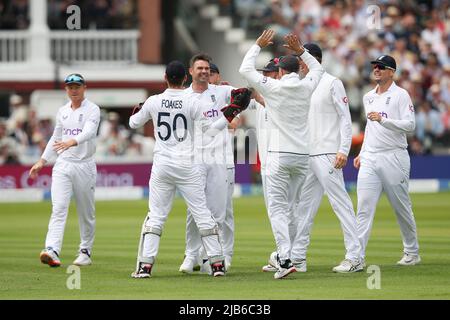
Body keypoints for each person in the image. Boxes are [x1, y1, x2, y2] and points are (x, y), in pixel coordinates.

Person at [129, 61, 246, 278]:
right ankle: (217, 264)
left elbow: (133, 123)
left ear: (165, 76)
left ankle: (145, 266)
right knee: (202, 214)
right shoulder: (191, 101)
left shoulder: (154, 101)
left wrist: (140, 109)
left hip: (162, 165)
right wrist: (229, 114)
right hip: (188, 164)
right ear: (185, 78)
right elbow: (211, 130)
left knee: (155, 216)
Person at [239, 30, 324, 279]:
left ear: (281, 72)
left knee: (277, 209)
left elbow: (245, 69)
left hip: (278, 155)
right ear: (297, 70)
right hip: (302, 157)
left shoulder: (273, 87)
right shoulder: (307, 86)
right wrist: (301, 51)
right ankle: (290, 255)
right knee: (293, 208)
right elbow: (317, 69)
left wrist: (257, 45)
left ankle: (285, 258)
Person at [288, 43, 362, 273]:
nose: (299, 65)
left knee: (340, 204)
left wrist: (343, 149)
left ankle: (356, 257)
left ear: (313, 59)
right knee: (304, 209)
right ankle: (298, 257)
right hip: (307, 154)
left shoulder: (332, 82)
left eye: (302, 59)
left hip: (329, 153)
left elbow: (345, 119)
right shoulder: (302, 84)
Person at [354, 55, 420, 266]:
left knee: (401, 207)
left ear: (392, 71)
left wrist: (384, 120)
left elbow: (410, 125)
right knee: (363, 207)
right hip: (371, 157)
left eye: (381, 67)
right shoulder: (368, 97)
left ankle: (412, 252)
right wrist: (362, 153)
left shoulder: (401, 95)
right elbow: (369, 128)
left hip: (394, 155)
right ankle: (356, 256)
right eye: (374, 66)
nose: (376, 69)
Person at [29, 73, 100, 267]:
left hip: (84, 165)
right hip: (63, 165)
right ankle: (51, 249)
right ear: (66, 89)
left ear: (84, 87)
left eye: (77, 86)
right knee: (58, 209)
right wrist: (42, 161)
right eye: (70, 87)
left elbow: (89, 132)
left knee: (86, 212)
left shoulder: (92, 109)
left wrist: (72, 141)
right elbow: (55, 138)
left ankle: (85, 251)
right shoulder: (62, 111)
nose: (74, 90)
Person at [179, 54, 239, 273]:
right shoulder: (183, 96)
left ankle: (212, 256)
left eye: (208, 69)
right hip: (194, 159)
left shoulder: (221, 91)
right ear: (191, 71)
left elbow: (246, 96)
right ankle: (191, 255)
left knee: (219, 212)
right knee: (194, 211)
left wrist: (257, 98)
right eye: (200, 68)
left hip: (219, 159)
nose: (205, 72)